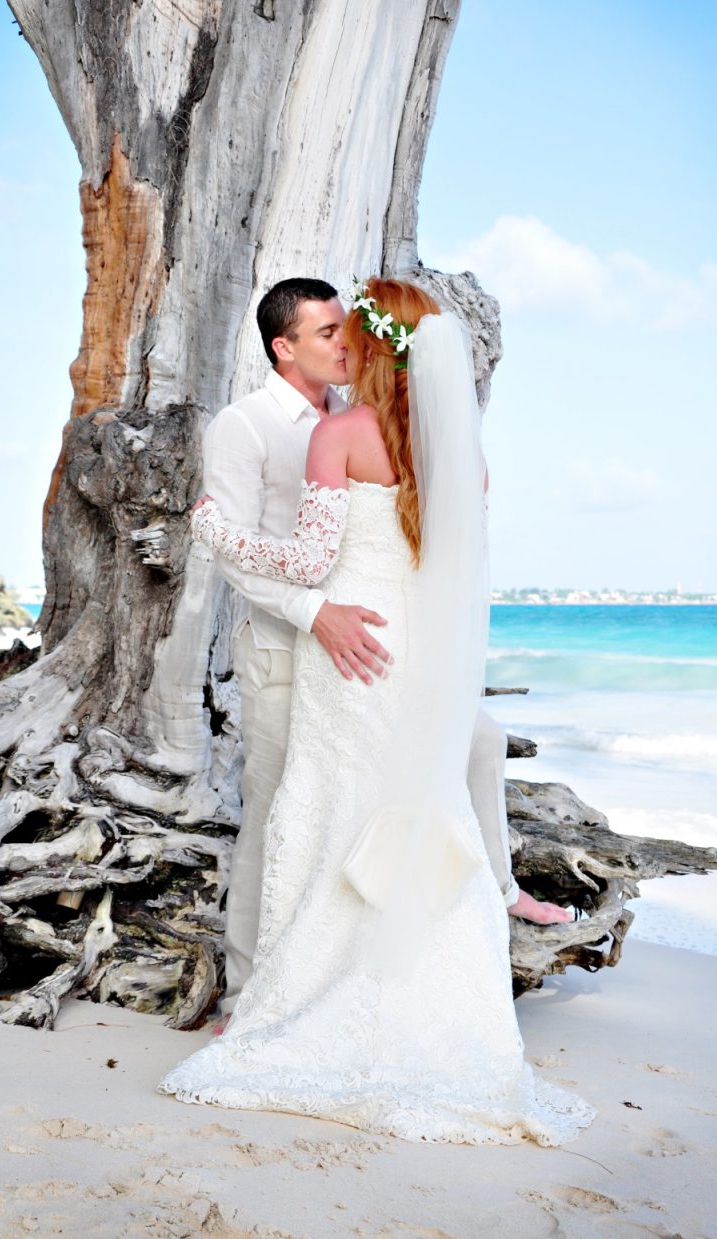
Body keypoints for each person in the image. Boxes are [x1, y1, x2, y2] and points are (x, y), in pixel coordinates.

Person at [159, 278, 593, 1145]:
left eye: (350, 331)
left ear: (379, 348)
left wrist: (211, 528)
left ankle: (297, 1001)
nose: (343, 343)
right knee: (409, 811)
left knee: (322, 817)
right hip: (411, 658)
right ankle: (430, 1006)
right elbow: (447, 571)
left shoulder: (337, 432)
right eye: (328, 331)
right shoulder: (462, 453)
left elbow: (311, 557)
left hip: (344, 652)